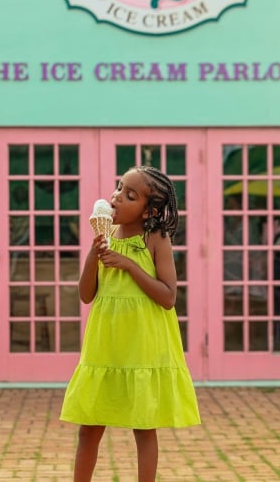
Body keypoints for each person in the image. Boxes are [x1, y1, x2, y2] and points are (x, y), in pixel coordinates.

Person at [60, 166, 201, 482]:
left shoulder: (155, 239)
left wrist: (129, 266)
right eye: (119, 188)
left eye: (130, 195)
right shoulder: (106, 237)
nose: (116, 197)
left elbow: (167, 297)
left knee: (144, 427)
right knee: (89, 428)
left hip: (143, 345)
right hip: (106, 345)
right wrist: (94, 253)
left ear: (149, 210)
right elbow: (86, 295)